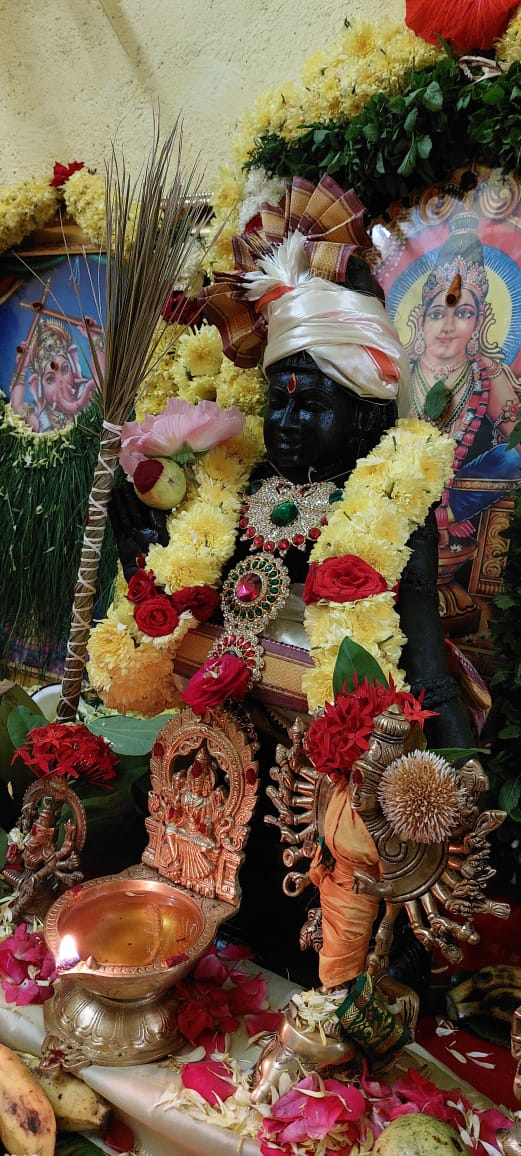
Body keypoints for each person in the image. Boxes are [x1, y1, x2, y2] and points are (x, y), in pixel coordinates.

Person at [408, 221, 521, 541]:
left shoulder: (486, 374)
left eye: (462, 313)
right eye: (437, 314)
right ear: (421, 320)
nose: (447, 326)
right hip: (392, 502)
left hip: (458, 506)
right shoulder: (401, 372)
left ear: (479, 321)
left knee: (510, 457)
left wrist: (453, 508)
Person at [10, 317, 102, 432]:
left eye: (65, 369)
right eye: (50, 379)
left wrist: (94, 337)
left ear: (73, 365)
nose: (61, 382)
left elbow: (102, 382)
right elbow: (17, 409)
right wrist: (21, 368)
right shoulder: (41, 416)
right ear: (36, 386)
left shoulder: (85, 393)